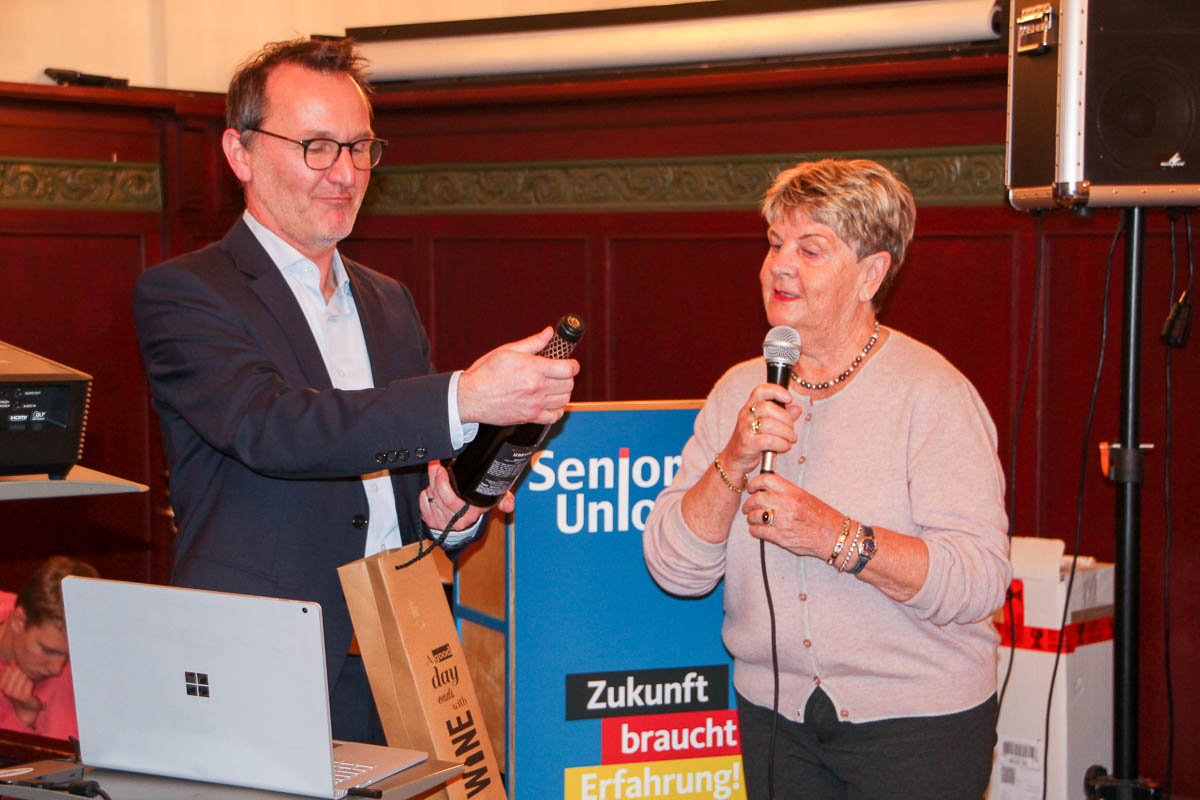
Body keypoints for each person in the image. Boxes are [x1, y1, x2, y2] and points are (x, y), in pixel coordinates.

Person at [133, 38, 578, 744]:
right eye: (316, 147)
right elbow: (273, 428)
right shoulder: (186, 292)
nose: (344, 173)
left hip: (398, 649)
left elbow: (398, 477)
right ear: (240, 153)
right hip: (257, 655)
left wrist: (449, 512)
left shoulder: (388, 300)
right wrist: (463, 398)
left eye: (360, 147)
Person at [643, 158, 1009, 799]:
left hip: (918, 725)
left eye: (810, 250)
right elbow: (676, 570)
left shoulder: (933, 395)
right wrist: (733, 458)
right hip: (775, 720)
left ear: (871, 274)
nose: (779, 267)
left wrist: (833, 536)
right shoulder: (737, 392)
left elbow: (979, 579)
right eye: (774, 245)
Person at [0, 555, 99, 740]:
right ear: (19, 621)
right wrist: (21, 719)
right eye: (48, 651)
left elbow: (68, 755)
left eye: (68, 656)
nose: (56, 668)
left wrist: (25, 716)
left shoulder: (80, 668)